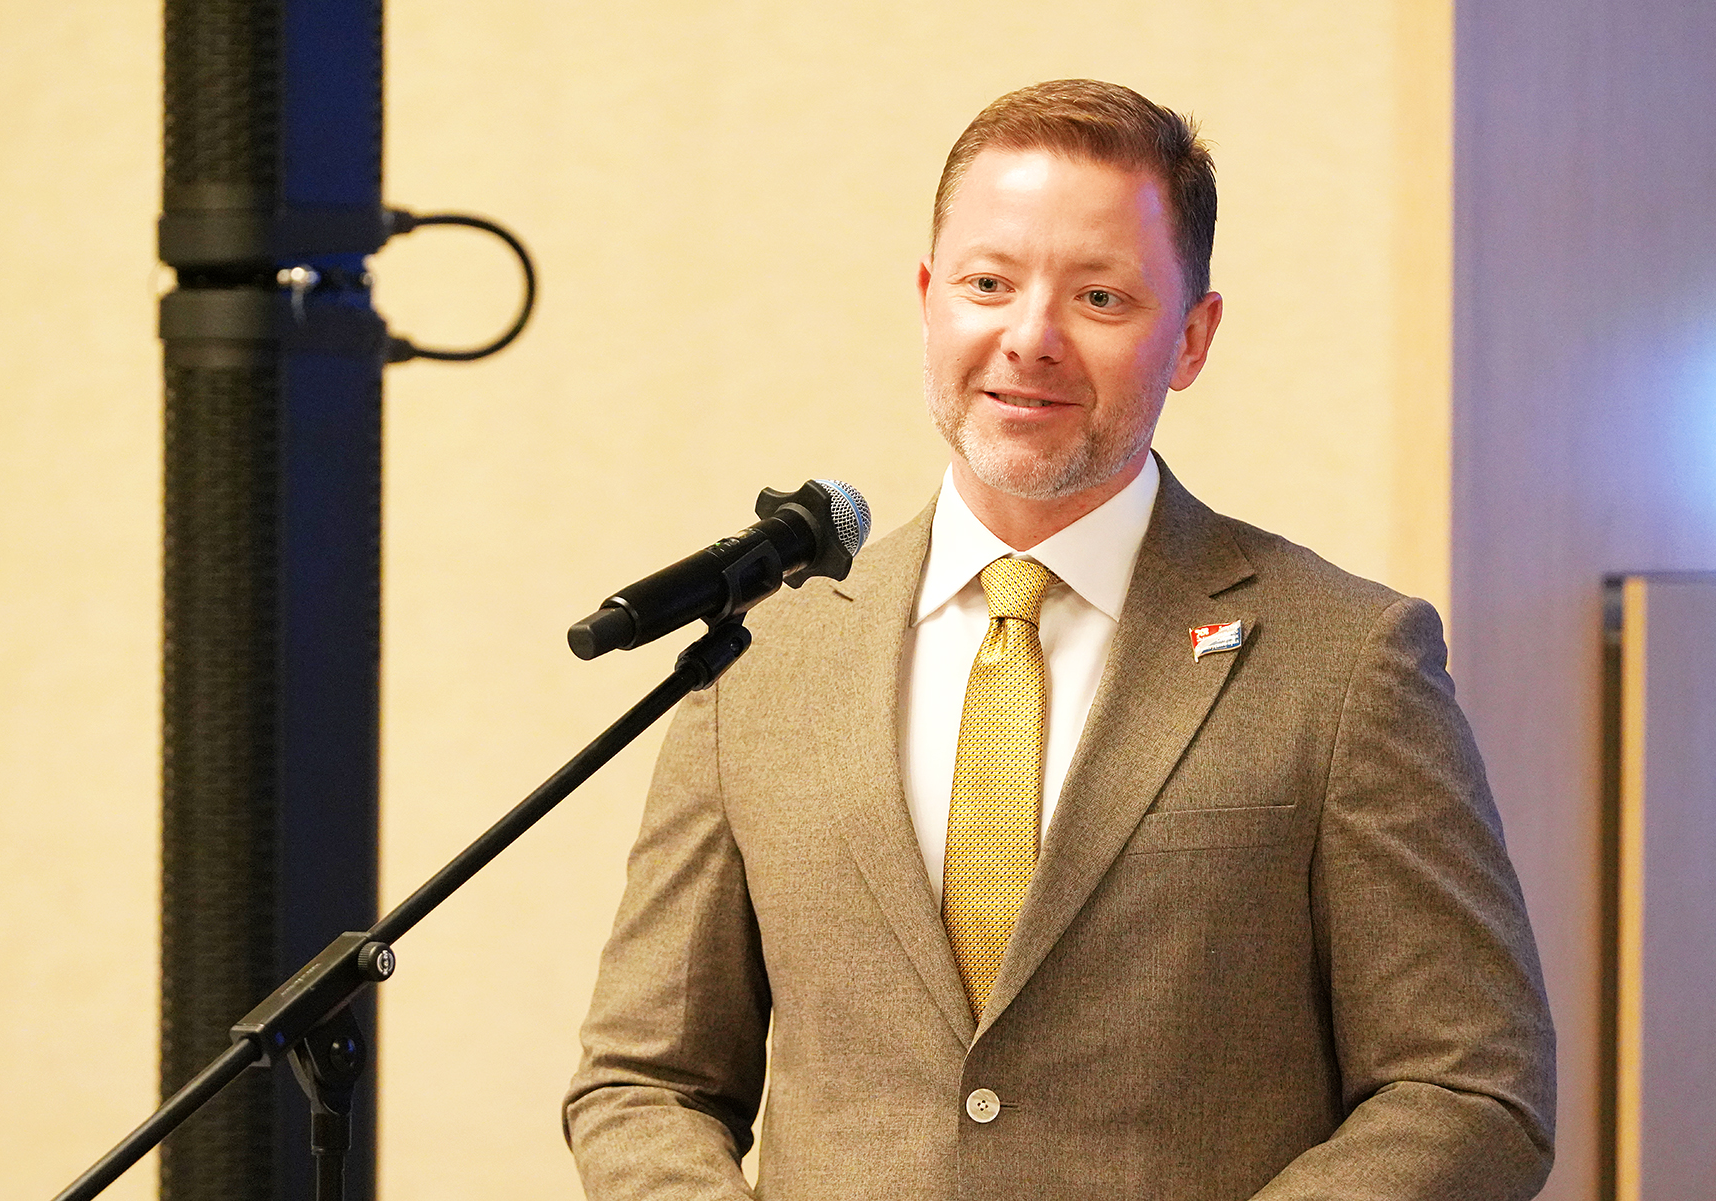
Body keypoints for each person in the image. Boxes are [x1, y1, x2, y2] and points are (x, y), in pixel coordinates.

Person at [564, 79, 1555, 1200]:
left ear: (1192, 338)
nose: (1029, 338)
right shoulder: (765, 659)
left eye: (1099, 297)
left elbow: (1472, 1087)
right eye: (988, 284)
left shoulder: (1346, 658)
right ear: (929, 300)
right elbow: (644, 1081)